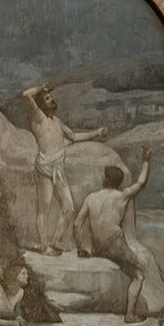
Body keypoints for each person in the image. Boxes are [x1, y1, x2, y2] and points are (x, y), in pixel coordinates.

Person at [21, 81, 107, 255]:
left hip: (58, 168)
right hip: (45, 168)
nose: (51, 100)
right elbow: (25, 95)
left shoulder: (58, 122)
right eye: (47, 98)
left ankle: (55, 241)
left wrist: (97, 133)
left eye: (51, 97)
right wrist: (42, 88)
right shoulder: (38, 117)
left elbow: (74, 137)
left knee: (68, 208)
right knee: (43, 209)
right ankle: (44, 247)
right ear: (40, 104)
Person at [74, 148, 153, 323]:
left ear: (106, 179)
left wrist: (81, 247)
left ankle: (130, 313)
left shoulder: (91, 197)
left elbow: (77, 223)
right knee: (139, 275)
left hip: (97, 247)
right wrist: (146, 161)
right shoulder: (122, 196)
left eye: (103, 175)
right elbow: (141, 182)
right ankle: (130, 314)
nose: (102, 177)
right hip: (115, 245)